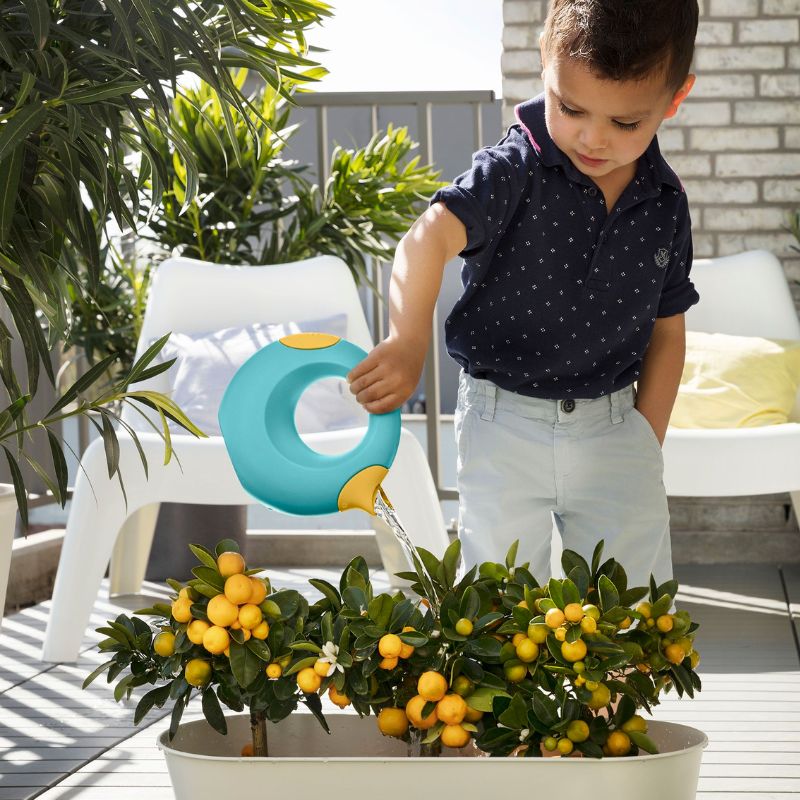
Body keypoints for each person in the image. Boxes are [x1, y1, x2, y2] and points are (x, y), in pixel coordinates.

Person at [347, 0, 700, 588]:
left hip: (615, 429)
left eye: (625, 123)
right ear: (545, 61)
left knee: (630, 609)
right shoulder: (511, 170)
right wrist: (407, 341)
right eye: (571, 108)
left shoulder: (665, 202)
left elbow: (668, 328)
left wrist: (644, 440)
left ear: (674, 98)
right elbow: (426, 239)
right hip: (502, 425)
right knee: (501, 608)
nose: (592, 138)